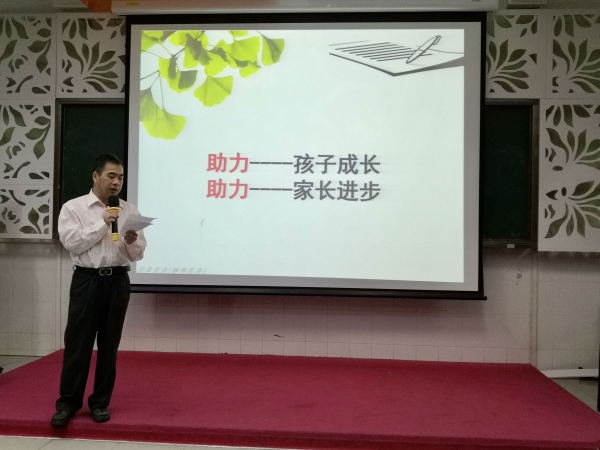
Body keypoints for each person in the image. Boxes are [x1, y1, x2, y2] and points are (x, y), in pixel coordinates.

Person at [51, 154, 146, 427]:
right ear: (95, 176)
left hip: (118, 281)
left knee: (109, 346)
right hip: (87, 280)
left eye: (121, 177)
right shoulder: (74, 207)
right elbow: (72, 243)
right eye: (111, 176)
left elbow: (138, 254)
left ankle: (100, 403)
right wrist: (103, 222)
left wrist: (131, 241)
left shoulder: (130, 210)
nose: (117, 182)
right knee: (78, 344)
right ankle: (67, 404)